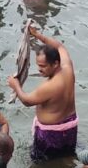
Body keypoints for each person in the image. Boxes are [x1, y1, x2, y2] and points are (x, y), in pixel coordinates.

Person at [7, 26, 77, 160]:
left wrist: (16, 86)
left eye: (43, 66)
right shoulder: (67, 67)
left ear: (55, 64)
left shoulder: (50, 86)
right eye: (38, 65)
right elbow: (60, 46)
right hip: (71, 126)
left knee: (41, 163)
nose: (39, 69)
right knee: (66, 158)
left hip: (51, 134)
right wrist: (39, 36)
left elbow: (27, 101)